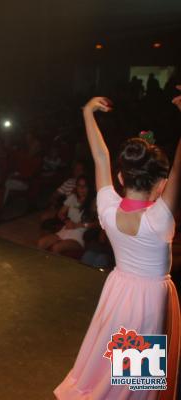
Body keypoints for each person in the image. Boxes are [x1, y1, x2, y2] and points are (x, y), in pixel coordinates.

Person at [54, 93, 181, 399]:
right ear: (161, 182)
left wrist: (87, 113)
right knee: (138, 369)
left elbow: (100, 156)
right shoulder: (159, 219)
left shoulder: (107, 207)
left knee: (110, 343)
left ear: (121, 177)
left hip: (118, 287)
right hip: (149, 297)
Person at [38, 175, 97, 255]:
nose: (81, 189)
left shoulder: (93, 202)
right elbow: (60, 213)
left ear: (89, 187)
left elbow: (97, 224)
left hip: (79, 235)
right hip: (66, 230)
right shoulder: (73, 197)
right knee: (41, 242)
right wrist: (66, 220)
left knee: (57, 247)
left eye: (84, 186)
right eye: (79, 186)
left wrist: (77, 225)